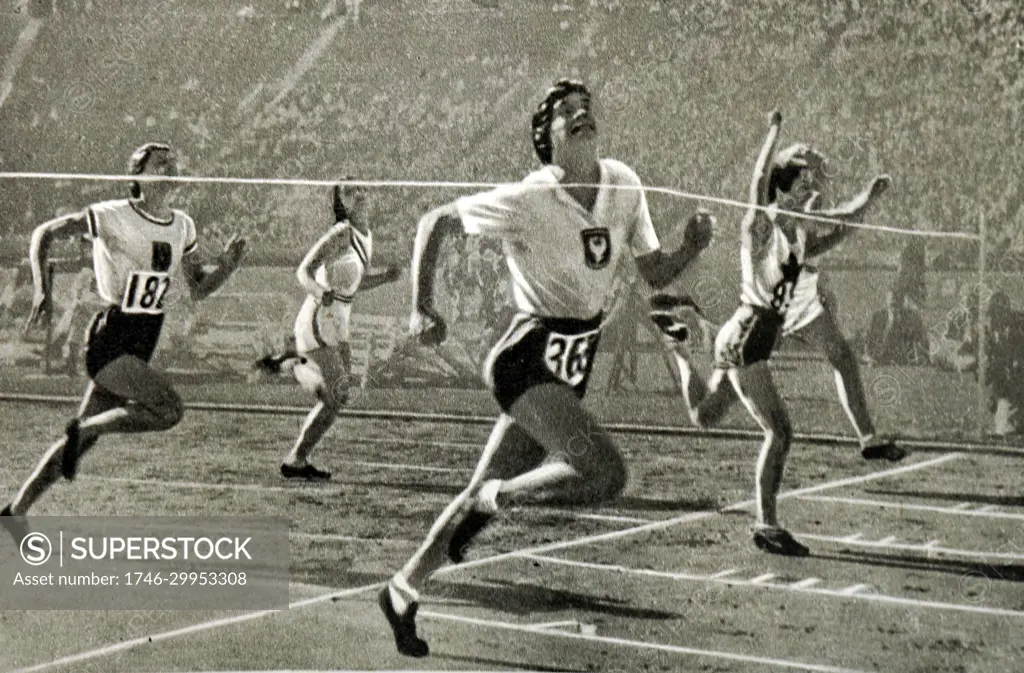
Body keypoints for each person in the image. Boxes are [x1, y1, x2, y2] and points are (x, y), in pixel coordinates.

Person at [378, 79, 715, 657]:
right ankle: (498, 499)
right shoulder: (530, 198)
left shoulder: (626, 184)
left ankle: (403, 588)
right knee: (604, 473)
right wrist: (419, 307)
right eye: (565, 112)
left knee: (476, 499)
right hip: (526, 358)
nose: (581, 114)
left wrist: (691, 247)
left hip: (573, 363)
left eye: (585, 107)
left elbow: (654, 272)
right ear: (547, 136)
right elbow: (435, 221)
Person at [657, 111, 893, 557]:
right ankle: (767, 525)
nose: (811, 189)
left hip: (749, 338)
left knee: (705, 416)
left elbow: (843, 223)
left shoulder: (801, 238)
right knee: (781, 431)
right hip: (747, 337)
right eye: (801, 183)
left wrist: (869, 198)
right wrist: (773, 131)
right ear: (782, 190)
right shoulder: (761, 226)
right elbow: (757, 178)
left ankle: (681, 350)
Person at [1, 142, 246, 542]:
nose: (171, 165)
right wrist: (41, 288)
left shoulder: (183, 223)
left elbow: (200, 288)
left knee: (75, 445)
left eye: (173, 160)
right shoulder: (112, 215)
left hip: (145, 336)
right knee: (169, 409)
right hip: (112, 336)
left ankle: (16, 511)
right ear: (138, 175)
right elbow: (43, 233)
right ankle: (86, 430)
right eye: (160, 161)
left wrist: (229, 268)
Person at [255, 182, 400, 480]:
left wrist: (384, 278)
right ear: (343, 204)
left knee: (339, 396)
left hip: (340, 320)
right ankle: (296, 457)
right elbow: (303, 271)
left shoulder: (365, 237)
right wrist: (321, 293)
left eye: (364, 191)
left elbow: (354, 286)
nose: (361, 195)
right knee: (337, 393)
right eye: (352, 193)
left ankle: (290, 366)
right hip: (319, 318)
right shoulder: (340, 233)